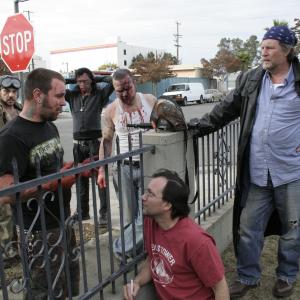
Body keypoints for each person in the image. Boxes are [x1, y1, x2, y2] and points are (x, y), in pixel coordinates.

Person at [189, 26, 300, 298]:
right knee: (248, 228)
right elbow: (225, 109)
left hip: (291, 172)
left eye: (270, 47)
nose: (263, 51)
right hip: (258, 173)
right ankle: (248, 276)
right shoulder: (252, 79)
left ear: (286, 51)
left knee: (293, 230)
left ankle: (286, 276)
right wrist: (196, 126)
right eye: (262, 46)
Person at [0, 68, 79, 299]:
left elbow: (48, 167)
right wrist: (53, 184)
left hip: (62, 220)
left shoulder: (49, 125)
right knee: (43, 291)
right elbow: (5, 192)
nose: (64, 102)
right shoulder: (10, 137)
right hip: (36, 231)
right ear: (37, 95)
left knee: (66, 286)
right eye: (59, 95)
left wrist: (64, 171)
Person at [123, 169, 229, 300]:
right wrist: (137, 282)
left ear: (167, 205)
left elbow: (220, 288)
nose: (143, 197)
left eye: (150, 194)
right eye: (146, 191)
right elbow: (154, 259)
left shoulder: (197, 241)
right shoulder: (151, 222)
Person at [97, 68, 156, 258]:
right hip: (124, 168)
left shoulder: (149, 100)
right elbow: (106, 141)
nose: (124, 93)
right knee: (129, 216)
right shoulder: (112, 109)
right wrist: (101, 170)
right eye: (119, 90)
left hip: (148, 165)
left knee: (145, 214)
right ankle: (135, 252)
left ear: (134, 83)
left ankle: (121, 249)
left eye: (127, 88)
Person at [65, 67, 114, 224]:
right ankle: (82, 212)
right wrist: (74, 80)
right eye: (79, 82)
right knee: (80, 179)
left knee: (100, 180)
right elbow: (59, 81)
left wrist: (95, 79)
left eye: (85, 81)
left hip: (95, 143)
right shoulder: (72, 96)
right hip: (77, 145)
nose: (82, 85)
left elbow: (112, 81)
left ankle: (104, 214)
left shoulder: (99, 95)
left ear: (91, 81)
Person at [0, 75, 22, 268]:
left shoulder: (20, 109)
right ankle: (8, 253)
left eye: (14, 92)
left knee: (18, 208)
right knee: (5, 212)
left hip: (19, 166)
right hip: (2, 167)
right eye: (7, 91)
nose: (10, 95)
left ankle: (16, 247)